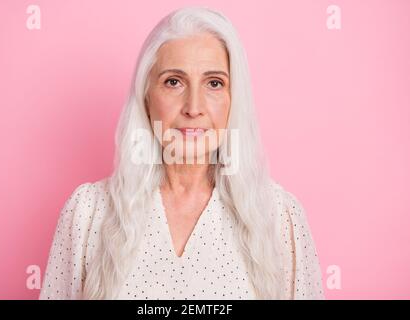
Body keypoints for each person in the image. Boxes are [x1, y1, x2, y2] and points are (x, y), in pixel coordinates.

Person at [39, 6, 324, 300]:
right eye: (174, 82)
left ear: (233, 98)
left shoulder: (279, 216)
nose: (193, 107)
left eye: (214, 83)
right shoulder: (88, 213)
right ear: (146, 96)